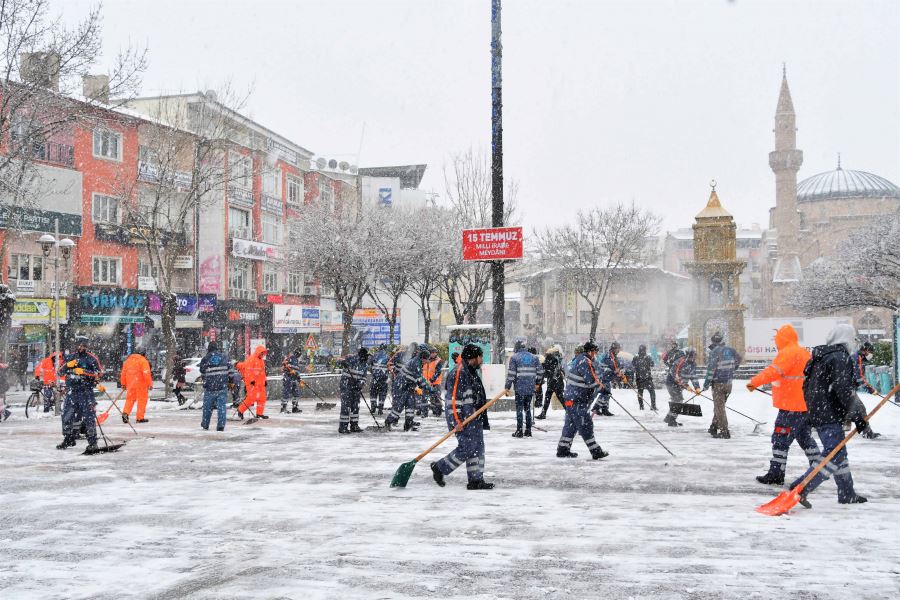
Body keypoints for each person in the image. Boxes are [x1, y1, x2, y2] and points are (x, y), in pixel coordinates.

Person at [788, 324, 869, 507]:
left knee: (839, 453)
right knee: (833, 454)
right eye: (853, 338)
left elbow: (807, 386)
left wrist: (812, 410)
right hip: (829, 413)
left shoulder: (820, 356)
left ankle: (847, 493)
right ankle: (801, 487)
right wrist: (857, 416)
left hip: (820, 410)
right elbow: (843, 389)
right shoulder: (839, 357)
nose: (854, 343)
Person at [747, 324, 821, 486]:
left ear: (782, 339)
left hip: (790, 406)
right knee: (805, 437)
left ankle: (776, 473)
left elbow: (773, 372)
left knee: (780, 438)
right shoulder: (804, 353)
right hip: (804, 406)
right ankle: (818, 467)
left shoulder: (787, 353)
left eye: (777, 339)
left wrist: (754, 383)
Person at [431, 344, 495, 490]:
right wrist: (456, 421)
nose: (482, 360)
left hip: (474, 418)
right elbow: (453, 400)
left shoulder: (470, 371)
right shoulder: (459, 372)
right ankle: (440, 467)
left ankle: (475, 480)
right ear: (474, 357)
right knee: (467, 447)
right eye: (480, 357)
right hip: (464, 420)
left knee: (477, 448)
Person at [556, 341, 609, 460]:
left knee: (571, 425)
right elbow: (591, 380)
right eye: (595, 352)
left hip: (570, 399)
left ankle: (563, 449)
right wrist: (602, 389)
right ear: (590, 351)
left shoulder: (579, 360)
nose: (595, 355)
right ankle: (595, 451)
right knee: (585, 424)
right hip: (577, 400)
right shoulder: (585, 361)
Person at [56, 337, 101, 453]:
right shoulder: (70, 357)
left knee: (89, 417)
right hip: (72, 392)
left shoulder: (92, 359)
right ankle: (69, 438)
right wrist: (68, 366)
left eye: (84, 345)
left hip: (86, 392)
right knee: (67, 415)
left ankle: (92, 442)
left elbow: (98, 374)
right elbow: (59, 372)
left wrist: (84, 372)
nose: (82, 347)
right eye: (80, 345)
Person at [702, 332, 742, 439]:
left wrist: (706, 384)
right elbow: (739, 359)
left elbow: (710, 370)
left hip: (718, 383)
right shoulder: (731, 350)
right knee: (720, 406)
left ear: (713, 341)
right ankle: (714, 426)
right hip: (728, 383)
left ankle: (724, 431)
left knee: (719, 408)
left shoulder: (714, 352)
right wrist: (732, 369)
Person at [505, 340, 542, 437]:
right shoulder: (534, 357)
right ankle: (528, 430)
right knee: (527, 409)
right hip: (530, 388)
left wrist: (507, 387)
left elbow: (511, 374)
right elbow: (540, 372)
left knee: (519, 409)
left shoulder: (514, 358)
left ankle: (519, 430)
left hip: (520, 388)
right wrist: (537, 383)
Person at [198, 342, 235, 431]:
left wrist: (206, 380)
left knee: (207, 407)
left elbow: (202, 372)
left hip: (210, 387)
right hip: (222, 386)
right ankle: (221, 425)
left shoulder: (205, 359)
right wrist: (231, 382)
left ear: (209, 349)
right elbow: (231, 371)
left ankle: (205, 424)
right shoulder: (224, 357)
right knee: (222, 407)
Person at [847, 341, 880, 439]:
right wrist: (871, 390)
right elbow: (859, 378)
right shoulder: (857, 358)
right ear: (865, 350)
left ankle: (866, 431)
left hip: (846, 388)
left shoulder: (855, 356)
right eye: (870, 353)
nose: (871, 355)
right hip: (847, 389)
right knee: (860, 410)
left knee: (857, 410)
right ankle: (867, 432)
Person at [663, 347, 700, 427]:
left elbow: (693, 376)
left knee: (675, 400)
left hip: (680, 385)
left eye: (694, 356)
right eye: (692, 356)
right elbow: (675, 376)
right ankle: (672, 420)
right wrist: (686, 386)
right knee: (678, 400)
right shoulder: (680, 362)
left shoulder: (693, 364)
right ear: (688, 355)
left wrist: (697, 387)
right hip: (672, 383)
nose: (694, 358)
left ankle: (668, 417)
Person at [338, 347, 369, 434]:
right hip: (346, 385)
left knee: (355, 406)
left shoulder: (365, 365)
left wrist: (361, 383)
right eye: (365, 355)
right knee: (346, 406)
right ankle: (343, 427)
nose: (366, 357)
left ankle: (354, 425)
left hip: (356, 387)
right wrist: (342, 363)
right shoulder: (351, 358)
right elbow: (338, 362)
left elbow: (364, 377)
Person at [236, 345, 269, 420]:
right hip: (252, 383)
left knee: (262, 399)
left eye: (263, 353)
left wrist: (265, 381)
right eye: (262, 353)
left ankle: (259, 414)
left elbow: (262, 373)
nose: (263, 355)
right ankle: (240, 410)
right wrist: (251, 380)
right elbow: (248, 371)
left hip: (260, 384)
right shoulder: (251, 359)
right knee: (251, 399)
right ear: (258, 352)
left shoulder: (261, 361)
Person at [120, 350, 153, 424]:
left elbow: (123, 373)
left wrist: (123, 384)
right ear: (143, 354)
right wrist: (149, 384)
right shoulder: (143, 361)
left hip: (130, 384)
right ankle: (140, 418)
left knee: (130, 400)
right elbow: (146, 373)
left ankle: (125, 413)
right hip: (141, 384)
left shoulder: (127, 361)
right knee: (142, 400)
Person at [594, 341, 625, 416]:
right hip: (603, 377)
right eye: (618, 349)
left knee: (607, 394)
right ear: (614, 348)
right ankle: (597, 407)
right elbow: (612, 366)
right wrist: (617, 371)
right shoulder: (608, 356)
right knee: (605, 393)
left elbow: (616, 366)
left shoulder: (613, 356)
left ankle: (604, 408)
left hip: (608, 377)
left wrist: (620, 369)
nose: (619, 351)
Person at [536, 345, 564, 420]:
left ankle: (543, 413)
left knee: (552, 398)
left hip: (553, 382)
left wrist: (543, 366)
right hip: (557, 381)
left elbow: (547, 372)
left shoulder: (550, 360)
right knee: (559, 398)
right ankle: (543, 413)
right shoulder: (557, 359)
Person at [422, 346, 445, 417]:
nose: (433, 354)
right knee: (424, 398)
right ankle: (424, 412)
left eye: (434, 353)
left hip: (435, 383)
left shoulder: (438, 361)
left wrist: (432, 380)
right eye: (431, 353)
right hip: (426, 382)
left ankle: (438, 411)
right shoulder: (426, 360)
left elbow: (438, 372)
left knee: (436, 398)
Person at [632, 344, 656, 411]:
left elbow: (633, 364)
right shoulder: (648, 357)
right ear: (645, 350)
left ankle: (641, 406)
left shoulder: (636, 357)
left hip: (639, 378)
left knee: (640, 392)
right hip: (647, 378)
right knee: (652, 392)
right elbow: (652, 364)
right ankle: (653, 406)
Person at [369, 344, 390, 416]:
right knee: (382, 393)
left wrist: (374, 372)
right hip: (383, 379)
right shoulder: (388, 357)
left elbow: (370, 365)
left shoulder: (374, 355)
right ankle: (380, 409)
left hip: (375, 378)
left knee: (373, 393)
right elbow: (390, 367)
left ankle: (373, 407)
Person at [281, 349, 304, 414]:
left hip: (293, 379)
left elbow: (296, 372)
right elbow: (284, 365)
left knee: (296, 393)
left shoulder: (296, 360)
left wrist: (299, 380)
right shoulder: (290, 358)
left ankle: (295, 407)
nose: (298, 354)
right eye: (298, 353)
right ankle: (283, 408)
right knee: (286, 393)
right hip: (288, 378)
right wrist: (289, 369)